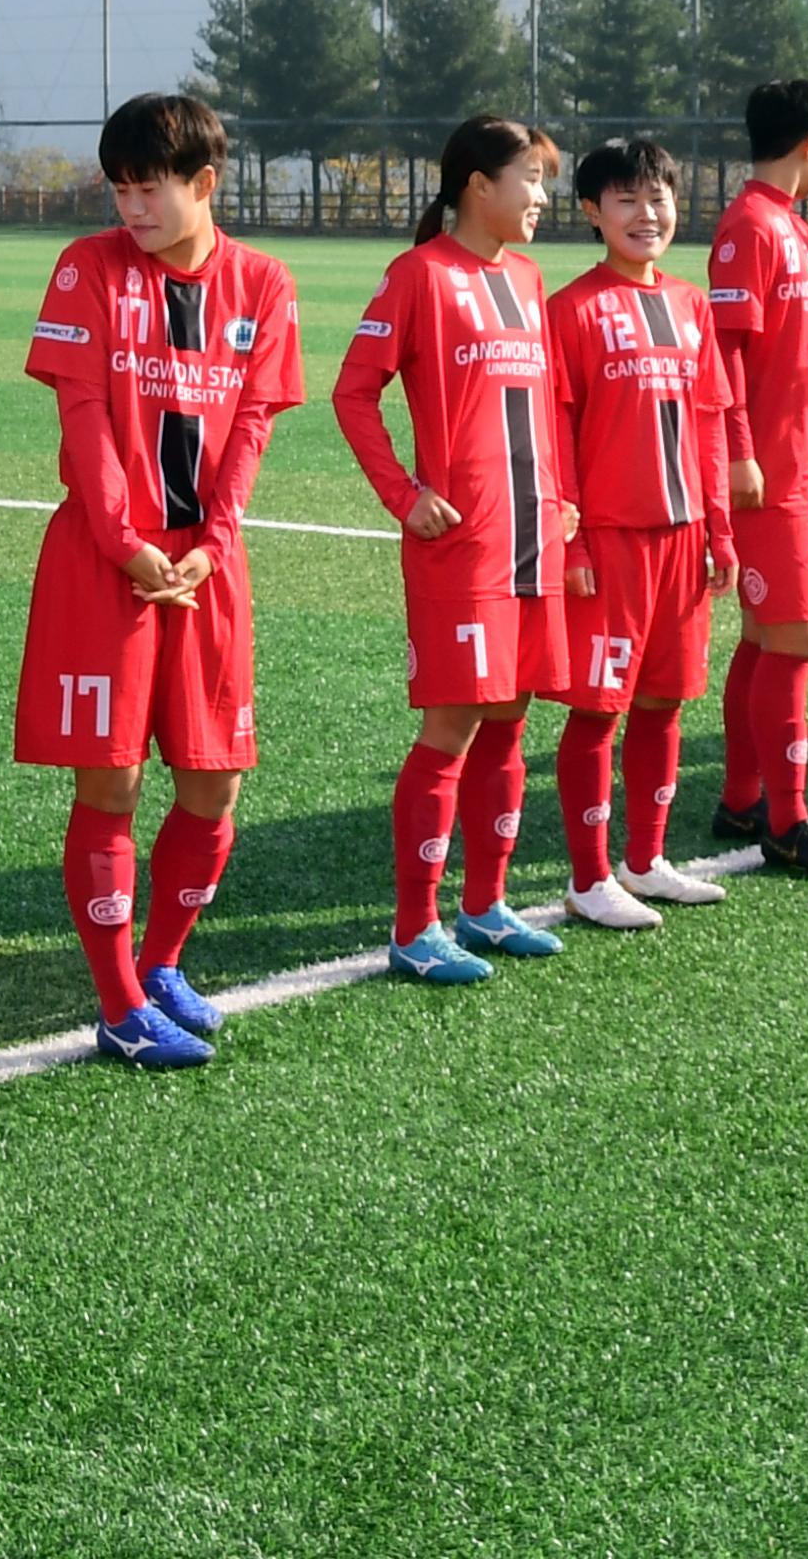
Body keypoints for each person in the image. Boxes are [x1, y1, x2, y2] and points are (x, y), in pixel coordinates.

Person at [20, 91, 304, 1055]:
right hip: (109, 564)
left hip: (205, 566)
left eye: (150, 189)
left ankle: (164, 962)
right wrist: (128, 545)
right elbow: (85, 421)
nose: (130, 208)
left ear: (206, 185)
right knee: (113, 785)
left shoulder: (264, 283)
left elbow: (253, 426)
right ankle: (117, 1006)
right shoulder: (86, 269)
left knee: (213, 784)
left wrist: (211, 546)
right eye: (120, 189)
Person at [337, 115, 590, 979]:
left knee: (511, 723)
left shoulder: (526, 276)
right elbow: (353, 393)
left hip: (533, 539)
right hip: (464, 547)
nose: (542, 198)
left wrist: (566, 506)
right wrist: (404, 496)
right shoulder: (419, 275)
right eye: (531, 178)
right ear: (478, 185)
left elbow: (548, 412)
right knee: (451, 728)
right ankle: (415, 928)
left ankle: (484, 906)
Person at [543, 138, 739, 926]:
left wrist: (720, 530)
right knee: (598, 708)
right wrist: (574, 541)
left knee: (665, 701)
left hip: (682, 537)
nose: (646, 213)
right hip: (613, 541)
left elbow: (712, 426)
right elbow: (555, 435)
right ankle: (588, 878)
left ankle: (646, 859)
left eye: (658, 197)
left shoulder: (693, 306)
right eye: (626, 200)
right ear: (593, 213)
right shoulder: (571, 309)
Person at [703, 79, 808, 874]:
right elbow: (725, 350)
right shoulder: (748, 227)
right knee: (797, 636)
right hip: (772, 473)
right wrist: (739, 450)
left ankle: (741, 799)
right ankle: (787, 820)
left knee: (768, 635)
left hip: (806, 469)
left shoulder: (791, 228)